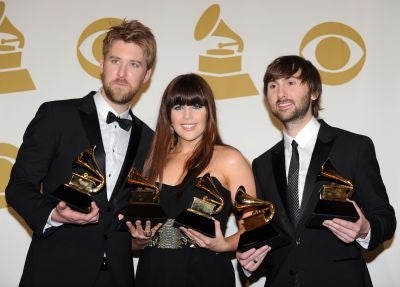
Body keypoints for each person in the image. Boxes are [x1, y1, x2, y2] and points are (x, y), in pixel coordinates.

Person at [5, 19, 156, 287]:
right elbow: (18, 186)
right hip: (54, 272)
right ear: (101, 64)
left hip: (117, 278)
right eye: (114, 60)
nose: (122, 72)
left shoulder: (151, 140)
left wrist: (140, 239)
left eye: (134, 64)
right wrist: (54, 214)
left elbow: (132, 217)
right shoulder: (56, 116)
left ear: (146, 75)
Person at [236, 55, 396, 287]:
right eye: (272, 86)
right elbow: (271, 234)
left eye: (290, 83)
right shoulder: (262, 164)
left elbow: (384, 215)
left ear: (314, 92)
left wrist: (364, 229)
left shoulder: (353, 147)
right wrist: (250, 259)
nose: (280, 93)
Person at [125, 73, 256, 287]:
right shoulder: (151, 161)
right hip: (153, 275)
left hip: (207, 274)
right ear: (168, 114)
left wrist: (224, 245)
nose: (187, 116)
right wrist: (138, 241)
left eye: (196, 106)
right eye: (178, 107)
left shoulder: (229, 159)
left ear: (209, 111)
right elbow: (134, 240)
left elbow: (255, 226)